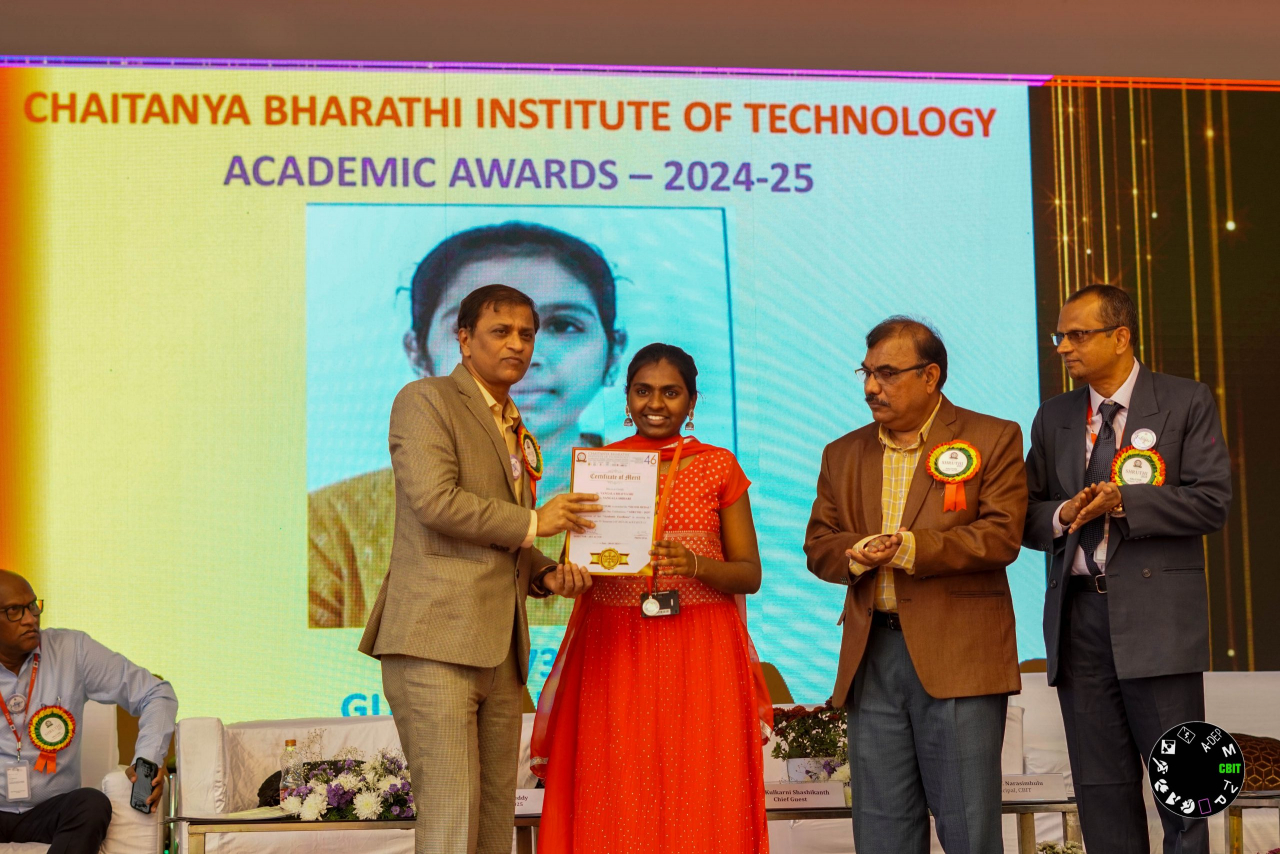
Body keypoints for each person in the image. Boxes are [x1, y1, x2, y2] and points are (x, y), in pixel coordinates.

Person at [358, 284, 598, 854]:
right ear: (463, 339)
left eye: (527, 334)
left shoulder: (513, 421)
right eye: (501, 331)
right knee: (450, 823)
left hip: (500, 650)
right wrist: (535, 521)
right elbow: (435, 502)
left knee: (493, 826)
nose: (518, 345)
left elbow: (502, 539)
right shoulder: (427, 399)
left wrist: (543, 574)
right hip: (436, 641)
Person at [310, 221, 628, 628]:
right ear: (417, 351)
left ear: (614, 351)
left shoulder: (655, 499)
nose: (521, 353)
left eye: (564, 325)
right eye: (485, 330)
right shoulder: (336, 522)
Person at [531, 343, 773, 854]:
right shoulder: (601, 466)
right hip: (615, 644)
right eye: (643, 391)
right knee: (615, 778)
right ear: (626, 397)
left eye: (671, 392)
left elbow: (749, 574)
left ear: (692, 401)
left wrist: (695, 565)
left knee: (700, 779)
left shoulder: (718, 466)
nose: (655, 404)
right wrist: (568, 574)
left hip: (701, 646)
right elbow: (580, 563)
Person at [804, 317, 1026, 854]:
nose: (870, 387)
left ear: (930, 376)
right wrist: (857, 554)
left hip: (959, 655)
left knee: (969, 831)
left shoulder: (992, 437)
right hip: (873, 655)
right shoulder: (842, 452)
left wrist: (907, 549)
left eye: (887, 373)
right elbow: (819, 546)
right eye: (866, 372)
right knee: (882, 832)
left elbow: (1001, 536)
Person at [1023, 284, 1230, 854]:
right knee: (1102, 792)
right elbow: (1026, 515)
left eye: (1077, 335)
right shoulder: (1055, 415)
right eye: (1059, 336)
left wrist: (1125, 502)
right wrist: (1064, 513)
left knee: (1183, 787)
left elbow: (1212, 502)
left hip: (1158, 622)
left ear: (1121, 337)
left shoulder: (1185, 400)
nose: (1063, 347)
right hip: (1079, 619)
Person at [0, 570, 177, 853]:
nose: (31, 618)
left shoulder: (72, 650)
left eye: (33, 605)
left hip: (51, 811)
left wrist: (148, 758)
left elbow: (156, 692)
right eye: (14, 611)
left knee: (91, 804)